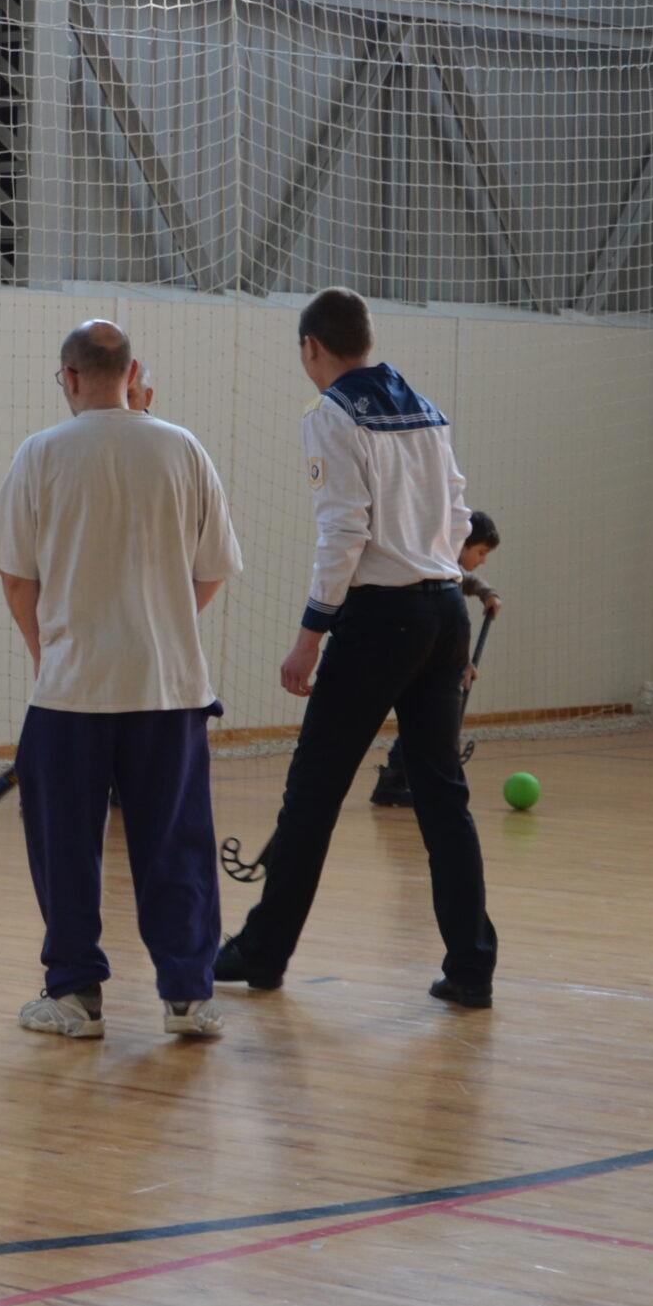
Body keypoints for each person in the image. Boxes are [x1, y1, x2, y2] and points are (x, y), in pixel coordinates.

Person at [218, 287, 498, 1008]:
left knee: (313, 791)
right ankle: (471, 967)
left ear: (312, 347)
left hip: (379, 622)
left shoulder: (331, 416)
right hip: (443, 611)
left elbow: (344, 532)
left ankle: (263, 952)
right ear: (365, 340)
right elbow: (461, 511)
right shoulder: (425, 406)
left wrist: (309, 637)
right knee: (443, 798)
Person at [0, 322, 243, 1041]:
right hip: (170, 687)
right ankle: (188, 996)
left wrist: (45, 650)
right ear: (133, 372)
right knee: (176, 844)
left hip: (71, 691)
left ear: (67, 377)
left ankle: (75, 997)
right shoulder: (182, 447)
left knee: (66, 848)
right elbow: (212, 569)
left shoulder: (40, 453)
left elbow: (16, 577)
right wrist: (165, 626)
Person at [370, 510, 503, 806]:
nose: (482, 560)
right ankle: (399, 779)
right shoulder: (439, 572)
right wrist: (463, 664)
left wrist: (487, 593)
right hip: (419, 656)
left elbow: (468, 580)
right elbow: (451, 628)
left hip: (427, 656)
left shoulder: (447, 569)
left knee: (424, 722)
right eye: (480, 552)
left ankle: (399, 778)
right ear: (462, 545)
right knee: (427, 721)